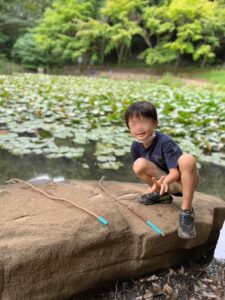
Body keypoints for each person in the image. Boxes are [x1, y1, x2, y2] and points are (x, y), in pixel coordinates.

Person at [124, 101, 199, 239]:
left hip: (182, 181)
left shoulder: (165, 141)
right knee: (138, 164)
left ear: (155, 123)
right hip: (163, 182)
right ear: (128, 128)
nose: (138, 128)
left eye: (143, 122)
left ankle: (186, 211)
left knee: (187, 159)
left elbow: (175, 173)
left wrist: (164, 181)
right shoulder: (135, 146)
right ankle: (162, 195)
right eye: (133, 124)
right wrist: (158, 185)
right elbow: (144, 169)